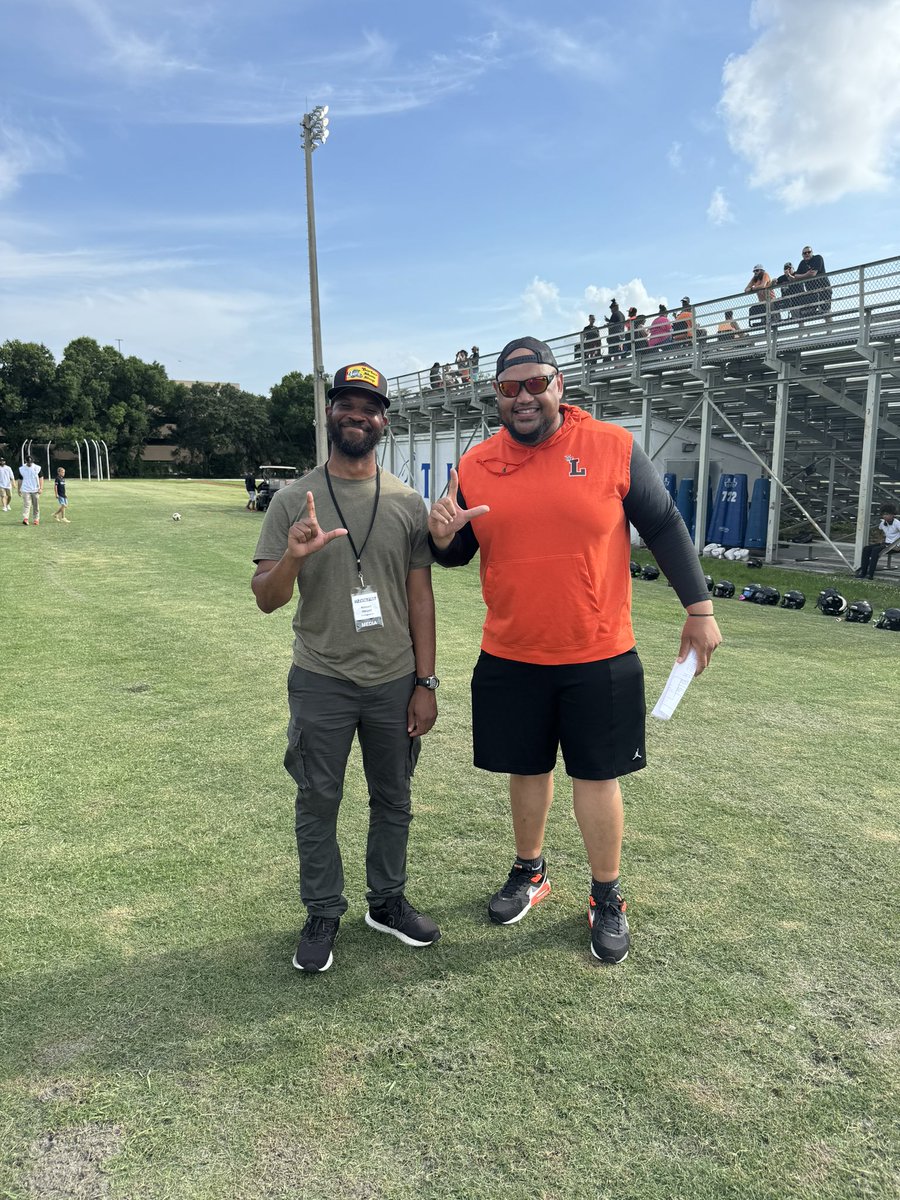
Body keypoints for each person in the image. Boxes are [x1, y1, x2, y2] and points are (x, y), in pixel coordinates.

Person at [427, 337, 721, 965]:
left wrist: (699, 609)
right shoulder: (477, 463)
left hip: (599, 653)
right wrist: (441, 537)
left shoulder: (611, 447)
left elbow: (664, 523)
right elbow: (459, 552)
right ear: (497, 396)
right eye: (510, 388)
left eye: (536, 383)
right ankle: (530, 871)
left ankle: (606, 895)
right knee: (525, 769)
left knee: (597, 776)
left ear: (560, 385)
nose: (524, 397)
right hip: (511, 652)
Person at [251, 361, 441, 973]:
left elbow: (420, 596)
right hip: (321, 677)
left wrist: (426, 682)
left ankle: (385, 902)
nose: (357, 414)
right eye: (346, 404)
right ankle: (323, 911)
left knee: (394, 799)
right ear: (329, 413)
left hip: (393, 680)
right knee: (317, 800)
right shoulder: (291, 500)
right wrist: (293, 556)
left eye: (370, 406)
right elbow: (266, 596)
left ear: (385, 419)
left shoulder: (408, 503)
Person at [855, 503, 900, 579]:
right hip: (886, 544)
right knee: (866, 549)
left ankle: (870, 574)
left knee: (875, 551)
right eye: (884, 514)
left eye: (887, 514)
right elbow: (880, 532)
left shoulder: (897, 523)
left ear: (892, 514)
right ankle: (863, 572)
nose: (885, 516)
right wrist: (880, 540)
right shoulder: (883, 523)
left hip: (895, 546)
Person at [792, 245, 832, 323]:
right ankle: (806, 333)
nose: (807, 254)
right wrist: (806, 274)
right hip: (811, 292)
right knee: (807, 312)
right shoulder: (802, 263)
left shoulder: (817, 258)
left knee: (826, 311)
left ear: (812, 253)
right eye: (804, 253)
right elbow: (796, 276)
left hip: (823, 289)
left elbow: (813, 274)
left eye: (808, 252)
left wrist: (802, 276)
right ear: (802, 255)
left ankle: (830, 330)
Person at [18, 455, 42, 526]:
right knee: (26, 504)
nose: (29, 463)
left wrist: (41, 488)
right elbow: (20, 480)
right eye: (28, 462)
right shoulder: (22, 469)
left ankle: (36, 519)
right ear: (26, 461)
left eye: (31, 462)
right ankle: (25, 518)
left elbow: (41, 478)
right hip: (25, 489)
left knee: (36, 505)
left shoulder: (37, 468)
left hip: (35, 489)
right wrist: (19, 489)